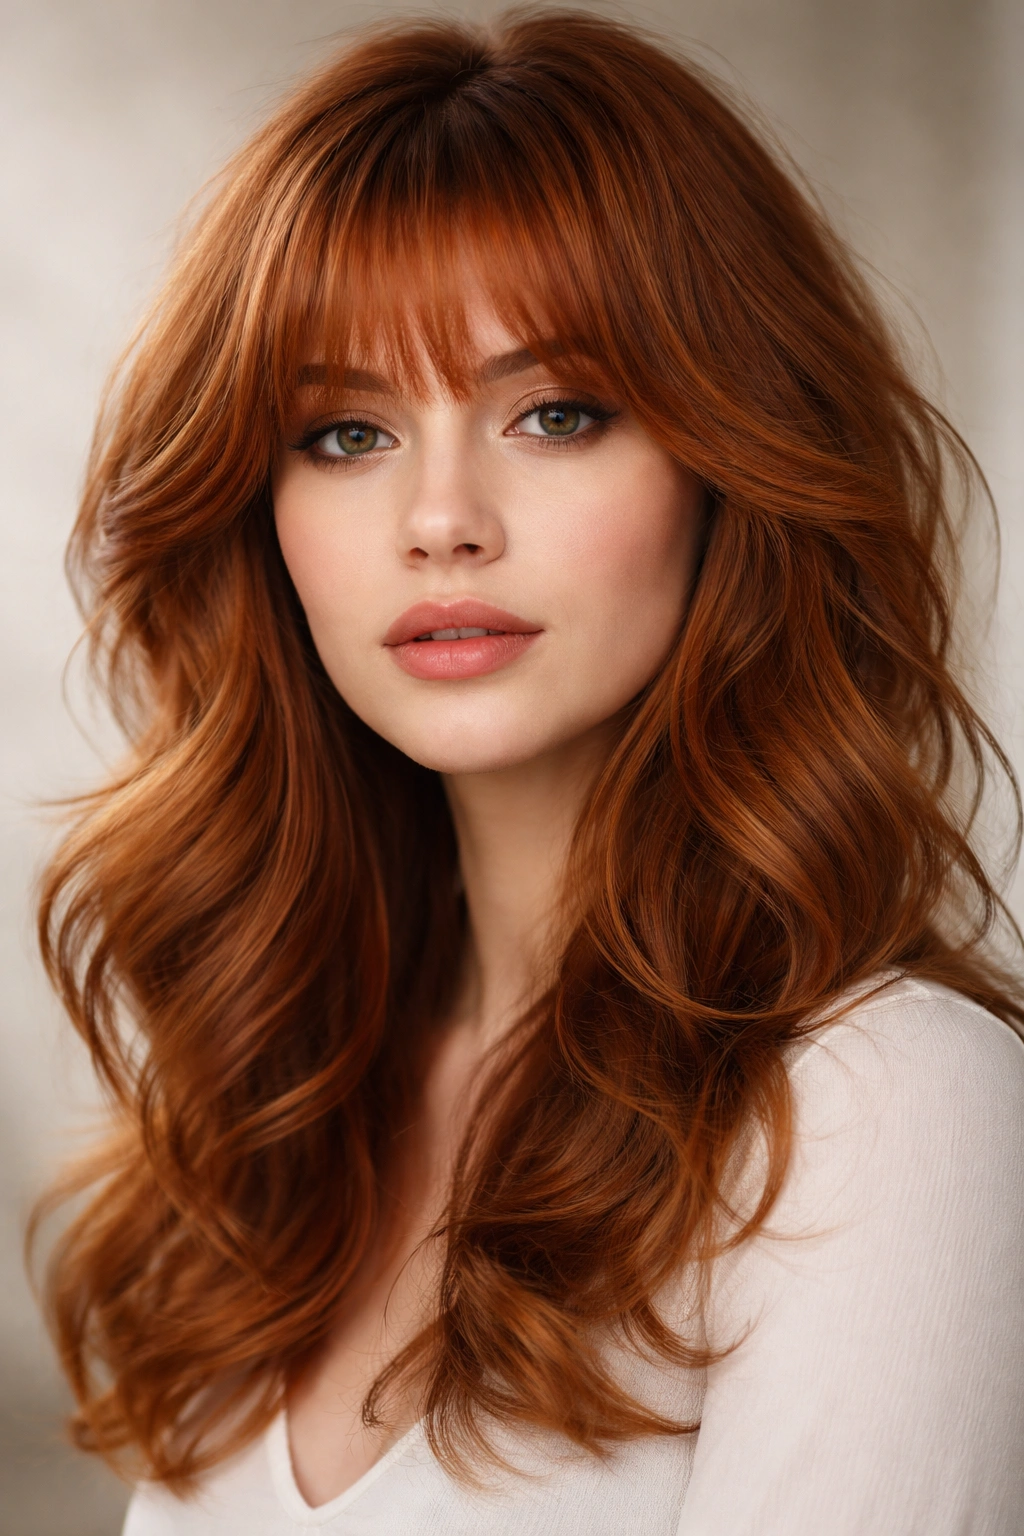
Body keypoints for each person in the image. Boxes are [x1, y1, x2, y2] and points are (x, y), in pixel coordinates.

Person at [33, 10, 1024, 1533]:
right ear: (258, 511)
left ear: (727, 462)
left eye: (556, 413)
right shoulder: (281, 1101)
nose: (441, 517)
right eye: (346, 432)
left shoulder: (878, 1107)